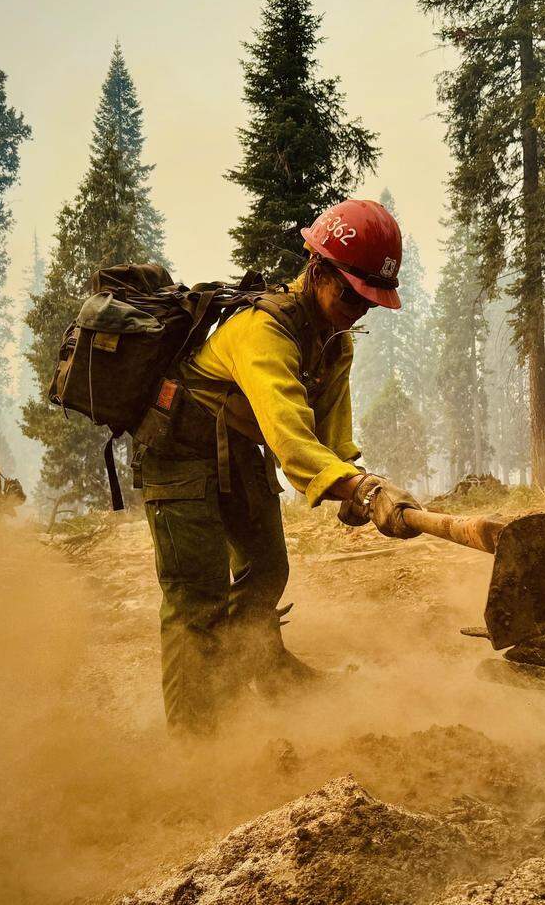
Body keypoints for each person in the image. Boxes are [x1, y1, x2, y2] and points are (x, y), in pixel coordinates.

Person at [134, 199, 422, 736]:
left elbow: (330, 435)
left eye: (369, 302)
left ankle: (257, 664)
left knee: (267, 570)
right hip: (178, 455)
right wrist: (354, 488)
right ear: (317, 271)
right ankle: (196, 743)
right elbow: (291, 438)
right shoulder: (261, 331)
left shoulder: (335, 344)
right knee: (197, 600)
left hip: (238, 453)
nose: (359, 309)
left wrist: (360, 482)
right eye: (350, 294)